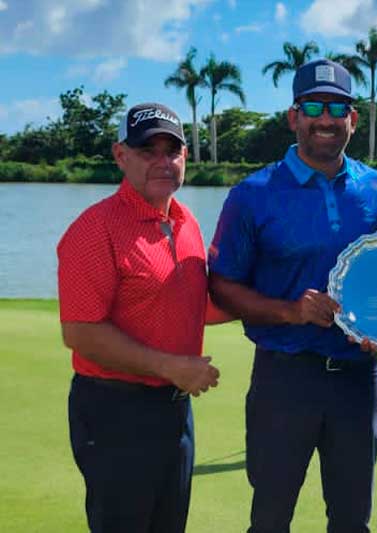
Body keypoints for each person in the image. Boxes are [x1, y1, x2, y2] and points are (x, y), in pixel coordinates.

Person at [207, 59, 377, 533]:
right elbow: (222, 285)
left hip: (357, 379)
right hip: (284, 378)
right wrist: (289, 311)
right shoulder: (252, 194)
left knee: (352, 520)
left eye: (338, 107)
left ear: (354, 119)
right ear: (294, 116)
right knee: (270, 518)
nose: (325, 118)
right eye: (313, 106)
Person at [58, 102, 224, 532]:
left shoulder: (186, 223)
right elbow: (80, 331)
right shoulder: (95, 228)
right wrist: (172, 366)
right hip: (116, 411)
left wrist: (286, 306)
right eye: (148, 150)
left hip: (174, 410)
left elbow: (192, 306)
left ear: (185, 157)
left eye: (173, 150)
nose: (163, 161)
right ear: (121, 155)